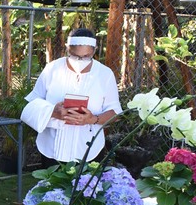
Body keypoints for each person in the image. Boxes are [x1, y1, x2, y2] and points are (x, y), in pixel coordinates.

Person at [20, 28, 122, 166]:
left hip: (88, 149)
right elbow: (33, 103)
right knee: (51, 179)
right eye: (75, 55)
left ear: (94, 51)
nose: (80, 60)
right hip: (51, 147)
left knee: (86, 180)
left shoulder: (105, 74)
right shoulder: (52, 69)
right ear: (68, 48)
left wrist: (92, 119)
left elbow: (115, 112)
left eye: (86, 56)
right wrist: (53, 112)